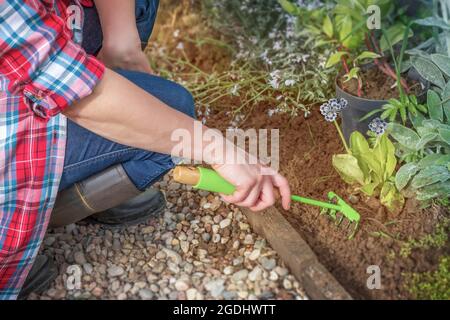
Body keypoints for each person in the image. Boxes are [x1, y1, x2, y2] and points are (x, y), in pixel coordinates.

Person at [0, 0, 291, 300]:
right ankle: (30, 228)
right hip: (17, 123)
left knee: (139, 6)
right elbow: (74, 90)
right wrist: (217, 148)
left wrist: (121, 41)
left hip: (36, 72)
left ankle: (93, 169)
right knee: (171, 119)